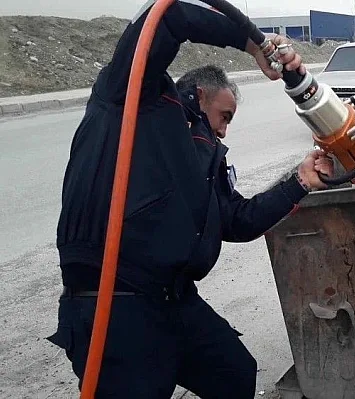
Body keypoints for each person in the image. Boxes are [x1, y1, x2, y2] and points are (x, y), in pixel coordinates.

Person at [46, 0, 333, 397]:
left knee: (233, 373)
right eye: (225, 116)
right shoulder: (130, 98)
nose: (226, 131)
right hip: (114, 308)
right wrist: (253, 44)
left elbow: (237, 220)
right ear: (200, 95)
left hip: (173, 302)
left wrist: (299, 182)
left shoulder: (202, 157)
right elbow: (168, 14)